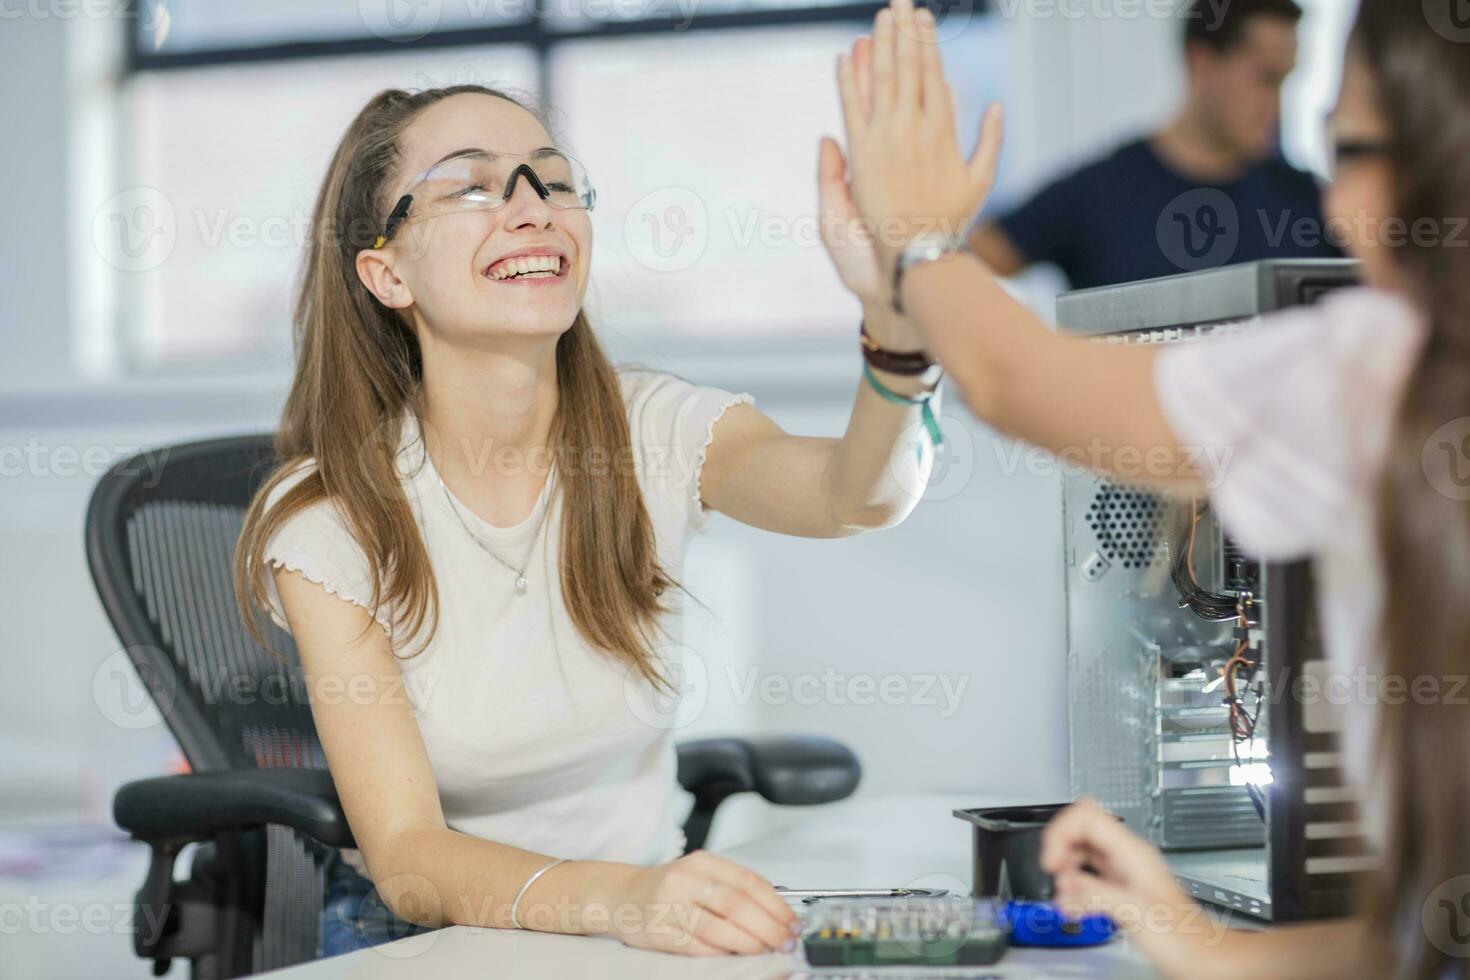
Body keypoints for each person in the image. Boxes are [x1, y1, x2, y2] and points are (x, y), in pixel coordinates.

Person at [230, 82, 945, 957]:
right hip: (424, 938)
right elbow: (409, 858)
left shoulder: (656, 432)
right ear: (386, 272)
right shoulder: (329, 516)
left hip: (635, 926)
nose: (531, 208)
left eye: (553, 182)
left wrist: (900, 339)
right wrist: (625, 899)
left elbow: (857, 496)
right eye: (472, 185)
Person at [836, 0, 1469, 976]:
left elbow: (1009, 375)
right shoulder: (1108, 189)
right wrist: (1203, 942)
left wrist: (917, 245)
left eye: (1354, 149)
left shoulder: (1370, 367)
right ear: (1201, 62)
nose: (1339, 203)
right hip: (1141, 569)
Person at [969, 0, 1342, 289]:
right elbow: (965, 272)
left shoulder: (1308, 201)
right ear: (1202, 64)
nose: (1275, 105)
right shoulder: (1101, 191)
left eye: (1285, 81)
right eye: (1265, 78)